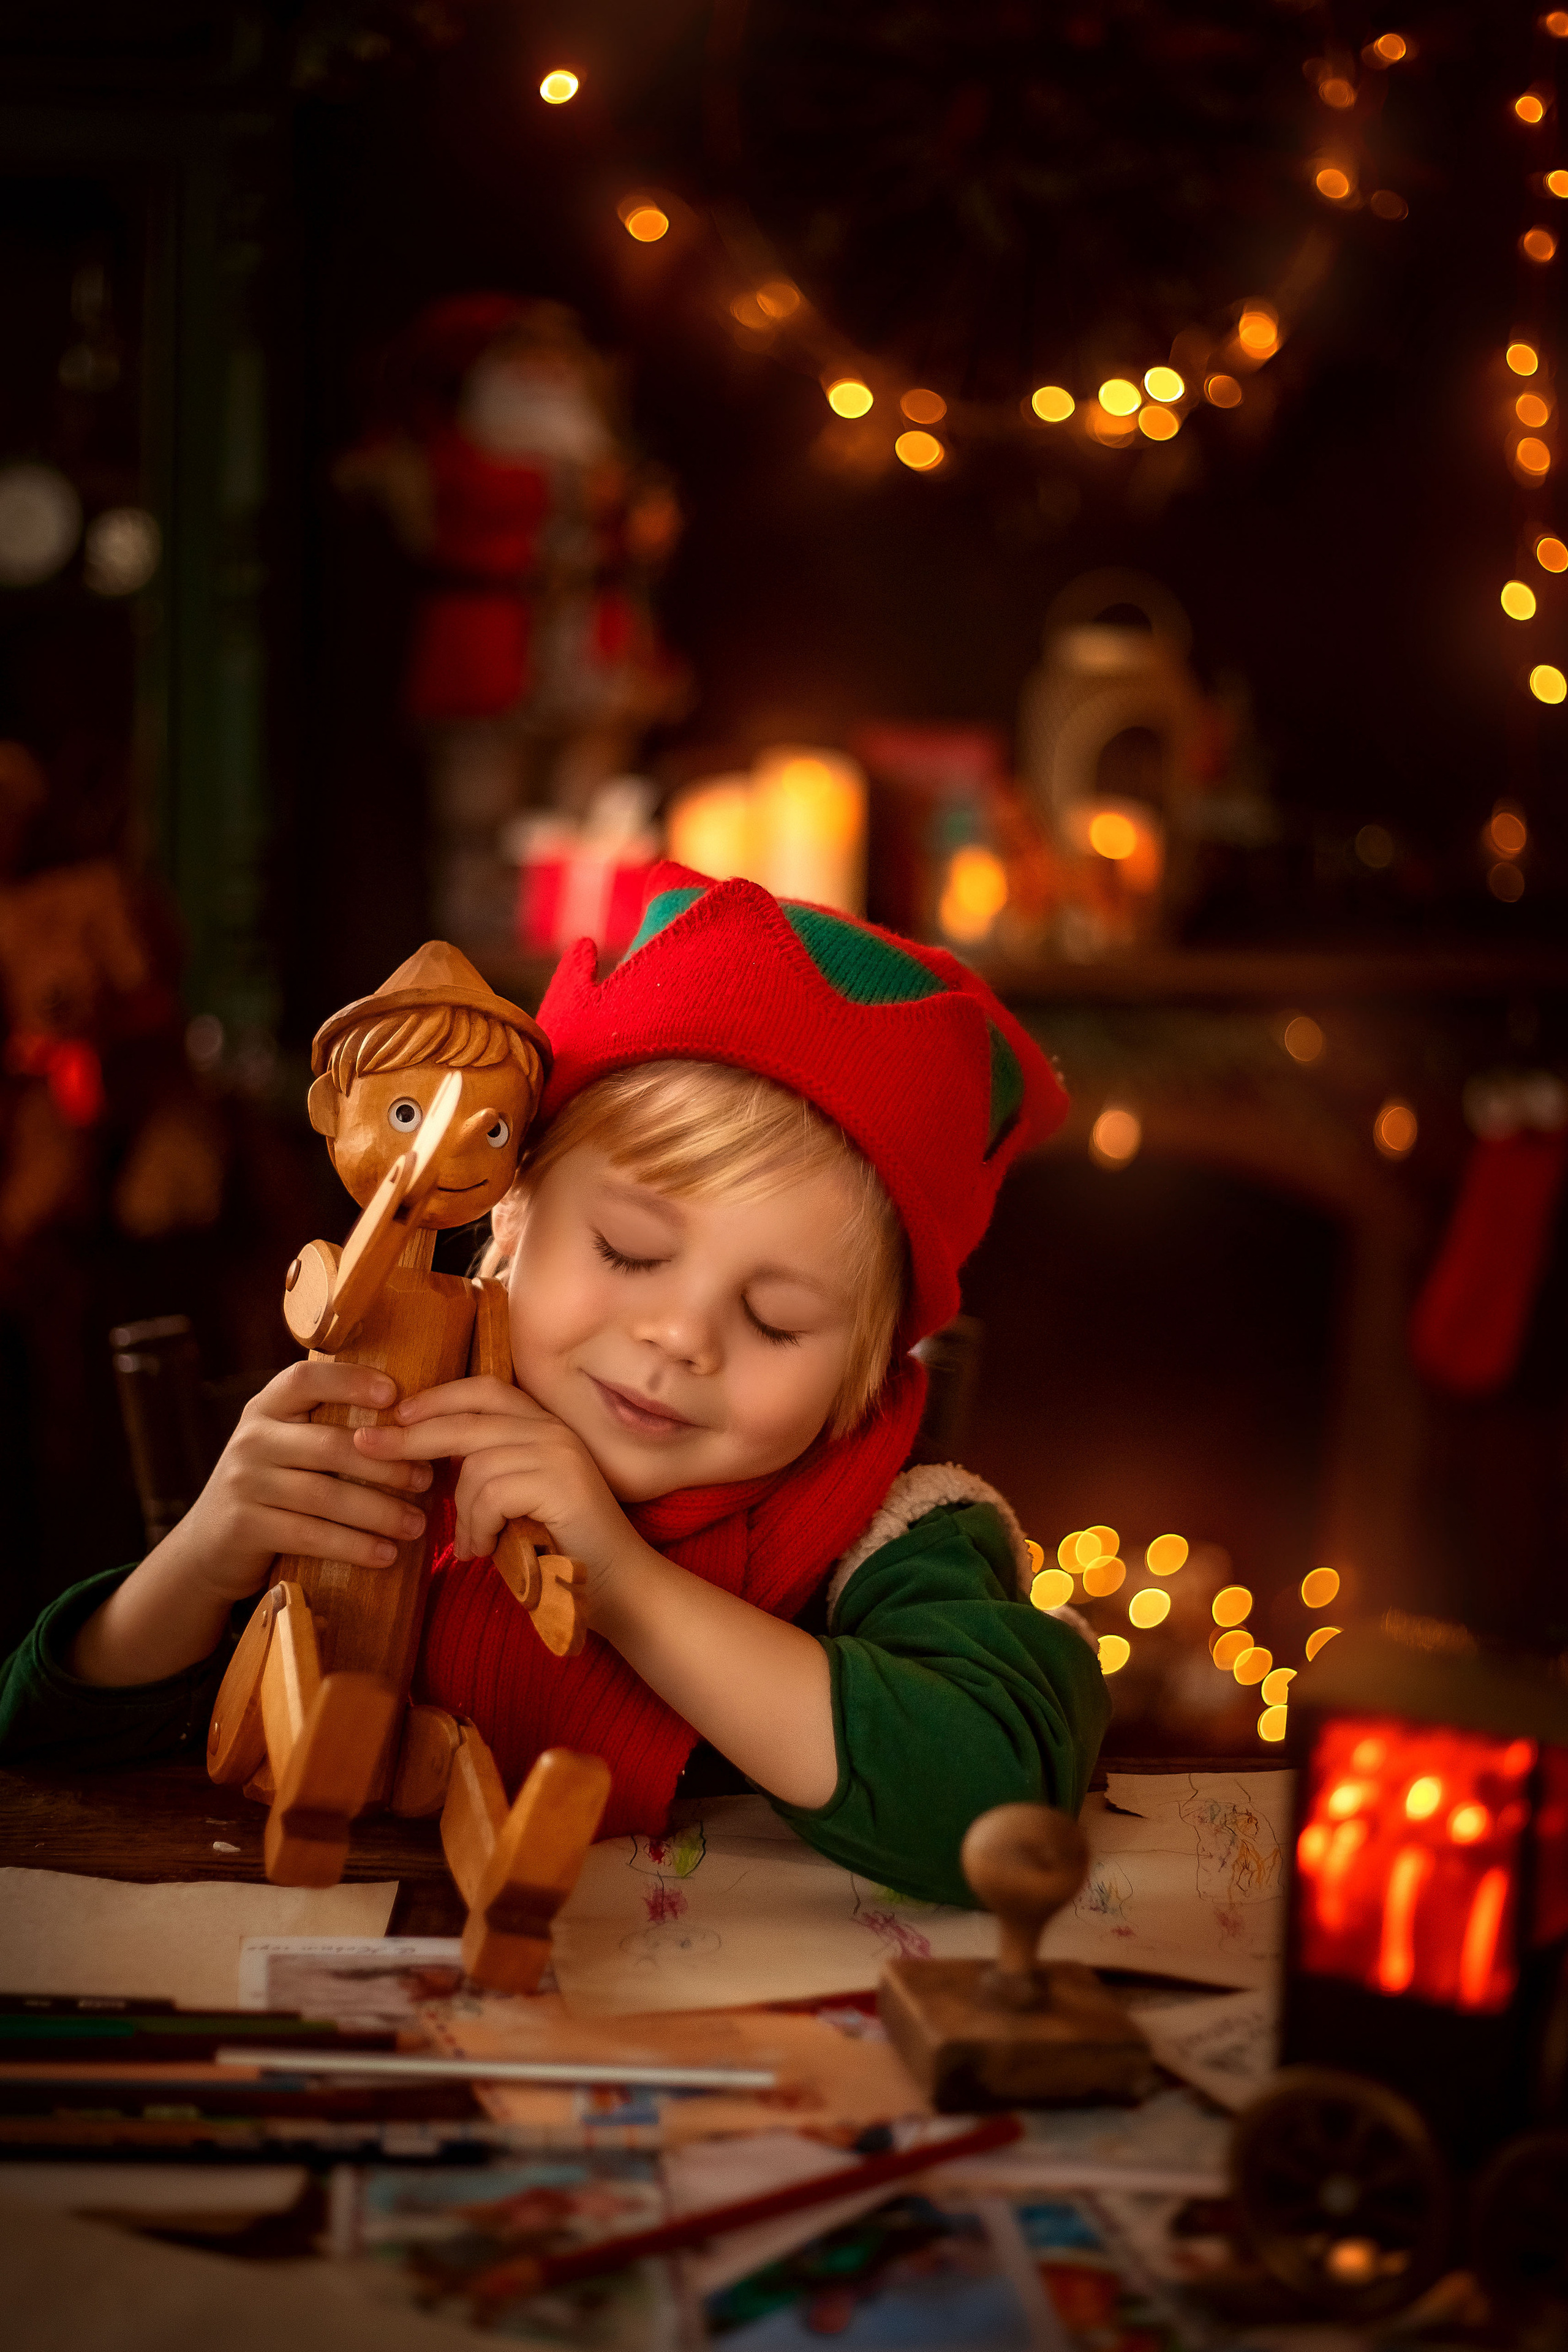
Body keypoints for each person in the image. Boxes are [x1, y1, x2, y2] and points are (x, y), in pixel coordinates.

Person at [0, 865, 1109, 1905]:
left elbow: (997, 1803)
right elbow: (47, 1732)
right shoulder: (393, 1433)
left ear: (866, 1375)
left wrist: (620, 1581)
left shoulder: (895, 1535)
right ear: (508, 1224)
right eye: (628, 1251)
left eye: (774, 1320)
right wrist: (205, 1558)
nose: (679, 1335)